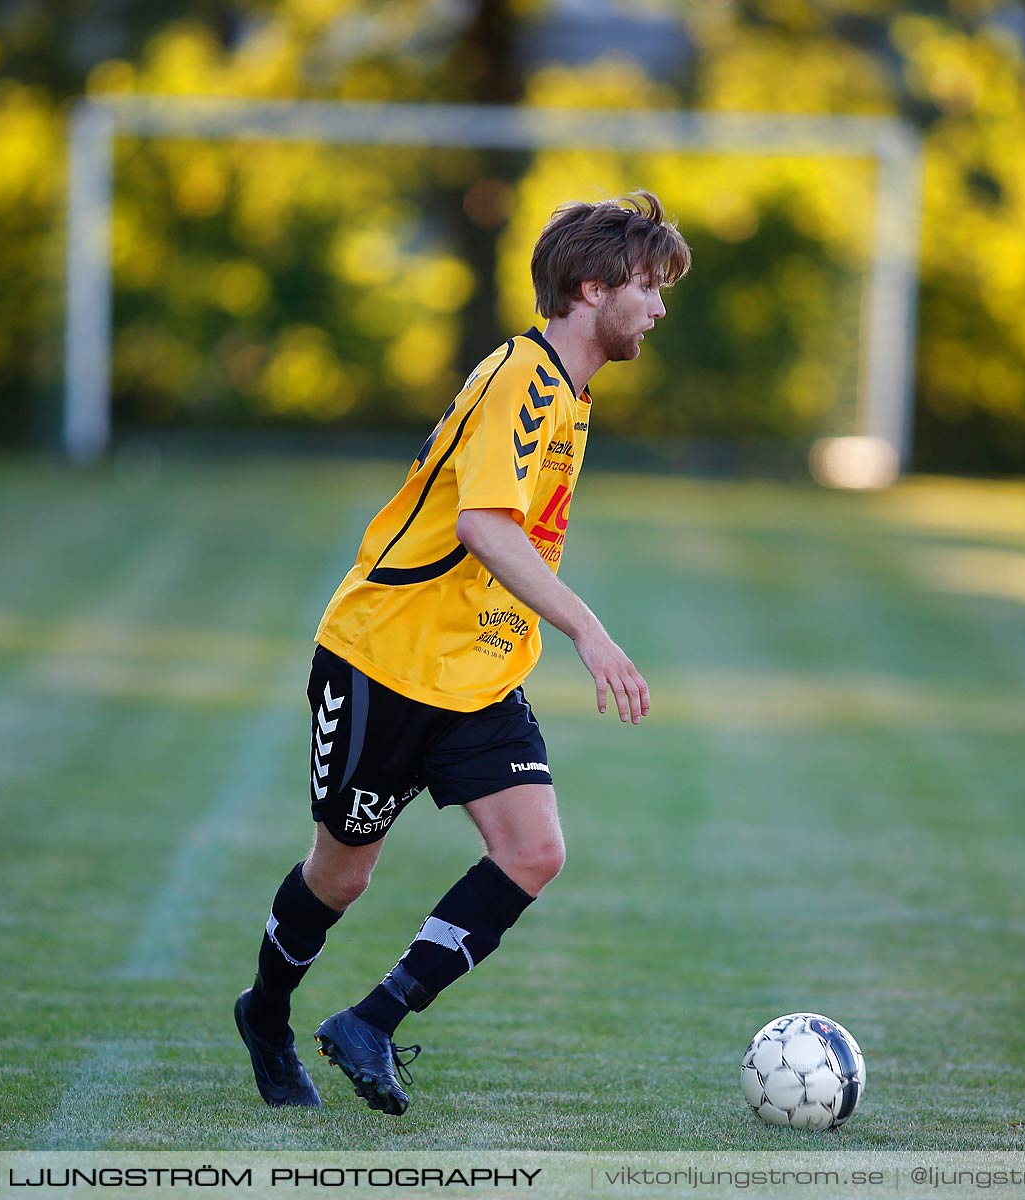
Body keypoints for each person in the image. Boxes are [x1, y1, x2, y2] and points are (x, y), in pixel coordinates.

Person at [233, 192, 691, 1112]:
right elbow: (484, 524)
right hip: (383, 662)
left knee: (534, 851)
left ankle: (373, 1020)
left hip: (480, 674)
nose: (659, 308)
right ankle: (268, 1013)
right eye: (647, 287)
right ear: (592, 289)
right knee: (343, 873)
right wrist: (587, 631)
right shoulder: (523, 379)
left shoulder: (573, 391)